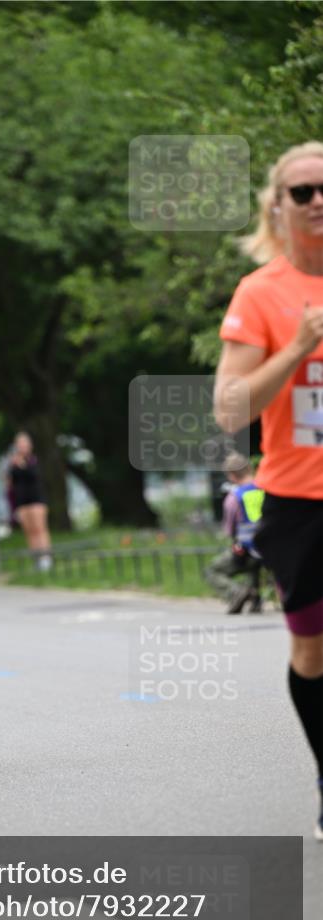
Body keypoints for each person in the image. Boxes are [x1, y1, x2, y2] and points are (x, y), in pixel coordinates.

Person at [213, 141, 323, 839]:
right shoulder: (261, 293)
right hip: (297, 503)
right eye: (301, 192)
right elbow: (230, 409)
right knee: (312, 653)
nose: (316, 201)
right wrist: (295, 349)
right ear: (277, 207)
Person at [205, 452, 264, 614]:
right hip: (271, 547)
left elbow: (229, 530)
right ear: (250, 468)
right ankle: (256, 599)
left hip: (247, 550)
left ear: (231, 476)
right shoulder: (267, 489)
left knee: (212, 570)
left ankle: (235, 592)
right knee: (255, 560)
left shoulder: (233, 498)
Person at [6, 431, 52, 571]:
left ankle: (46, 558)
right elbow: (10, 483)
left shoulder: (34, 460)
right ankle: (36, 560)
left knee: (40, 529)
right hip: (21, 502)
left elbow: (34, 476)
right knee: (29, 531)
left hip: (36, 499)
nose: (22, 446)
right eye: (19, 443)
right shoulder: (13, 463)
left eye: (24, 443)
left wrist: (21, 464)